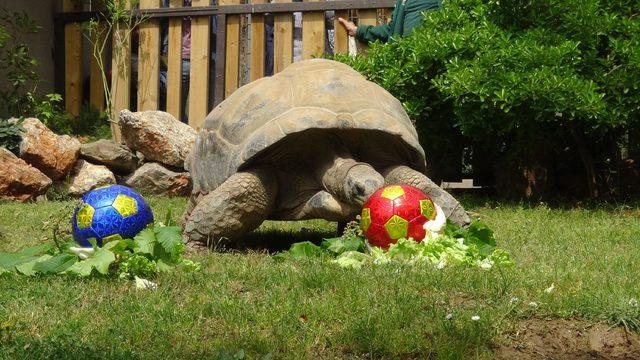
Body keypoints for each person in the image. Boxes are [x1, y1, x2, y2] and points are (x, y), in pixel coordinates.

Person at [338, 0, 442, 44]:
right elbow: (392, 30)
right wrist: (359, 31)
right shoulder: (403, 1)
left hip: (428, 67)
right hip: (407, 66)